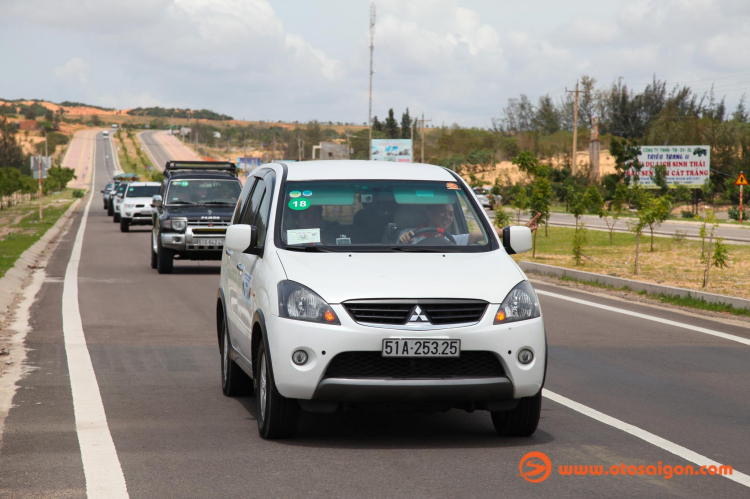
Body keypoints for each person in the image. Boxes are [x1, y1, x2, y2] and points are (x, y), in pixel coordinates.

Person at [398, 204, 541, 245]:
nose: (447, 217)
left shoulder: (451, 240)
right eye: (442, 212)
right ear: (429, 214)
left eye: (451, 214)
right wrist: (403, 240)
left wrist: (520, 230)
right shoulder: (409, 234)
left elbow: (486, 234)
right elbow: (398, 246)